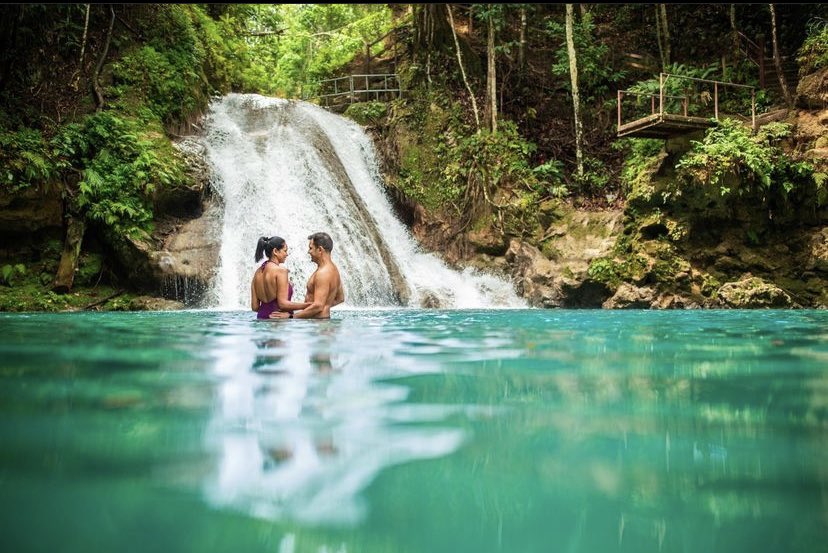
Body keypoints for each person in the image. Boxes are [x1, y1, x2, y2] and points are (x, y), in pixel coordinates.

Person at [273, 232, 344, 320]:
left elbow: (318, 306)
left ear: (320, 250)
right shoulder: (334, 269)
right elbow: (340, 298)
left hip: (318, 323)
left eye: (311, 248)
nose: (308, 252)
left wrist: (291, 317)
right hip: (322, 321)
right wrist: (325, 306)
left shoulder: (323, 273)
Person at [250, 236, 311, 320]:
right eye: (285, 251)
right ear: (275, 251)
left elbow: (255, 307)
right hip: (277, 321)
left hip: (261, 319)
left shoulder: (257, 273)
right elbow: (283, 304)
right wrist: (310, 305)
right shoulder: (281, 271)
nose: (286, 254)